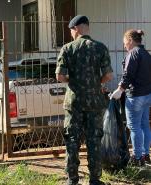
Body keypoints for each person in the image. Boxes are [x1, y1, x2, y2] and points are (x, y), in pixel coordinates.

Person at [55, 15, 113, 185]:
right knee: (94, 139)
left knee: (72, 139)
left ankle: (72, 180)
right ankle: (95, 179)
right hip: (94, 102)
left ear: (77, 28)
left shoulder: (67, 48)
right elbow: (108, 75)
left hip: (74, 102)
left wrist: (72, 82)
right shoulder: (100, 48)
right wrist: (96, 83)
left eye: (71, 31)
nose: (71, 34)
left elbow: (59, 76)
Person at [111, 29, 151, 166]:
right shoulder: (146, 54)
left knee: (134, 127)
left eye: (124, 43)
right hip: (147, 95)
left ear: (130, 40)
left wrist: (119, 90)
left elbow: (128, 74)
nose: (124, 46)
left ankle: (137, 157)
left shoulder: (133, 53)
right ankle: (146, 155)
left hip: (135, 96)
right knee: (145, 125)